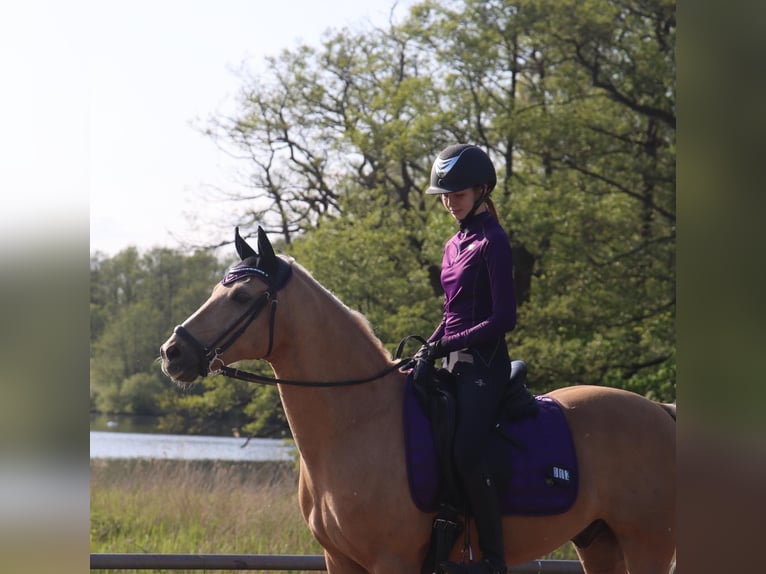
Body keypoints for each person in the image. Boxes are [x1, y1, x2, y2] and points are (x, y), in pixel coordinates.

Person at [414, 143, 516, 574]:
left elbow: (503, 318)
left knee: (467, 451)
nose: (448, 203)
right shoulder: (454, 244)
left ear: (481, 190)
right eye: (444, 195)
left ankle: (493, 558)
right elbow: (451, 313)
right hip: (454, 360)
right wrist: (429, 347)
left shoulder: (493, 240)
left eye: (456, 195)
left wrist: (448, 344)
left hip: (485, 366)